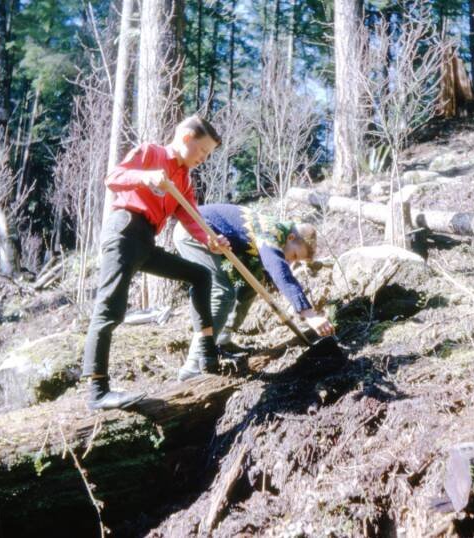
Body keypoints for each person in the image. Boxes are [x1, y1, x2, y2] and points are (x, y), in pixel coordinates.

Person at [82, 115, 230, 411]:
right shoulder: (152, 153)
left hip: (147, 241)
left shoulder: (184, 181)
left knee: (200, 275)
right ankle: (97, 391)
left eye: (208, 155)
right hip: (124, 230)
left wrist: (211, 240)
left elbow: (192, 219)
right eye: (202, 152)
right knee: (111, 307)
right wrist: (144, 176)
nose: (203, 159)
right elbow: (113, 178)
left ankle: (208, 354)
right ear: (186, 138)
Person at [173, 203, 335, 381]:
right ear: (290, 237)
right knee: (223, 291)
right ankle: (194, 364)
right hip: (193, 231)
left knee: (252, 282)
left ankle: (222, 340)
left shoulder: (275, 236)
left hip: (220, 245)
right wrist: (309, 314)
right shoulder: (271, 232)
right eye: (295, 256)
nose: (291, 262)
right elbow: (279, 270)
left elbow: (270, 272)